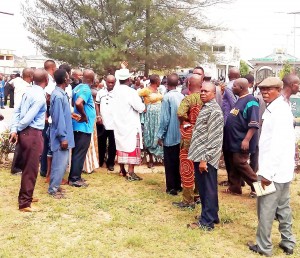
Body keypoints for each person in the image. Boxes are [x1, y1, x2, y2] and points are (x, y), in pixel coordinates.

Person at [248, 77, 296, 256]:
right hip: (282, 170)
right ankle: (288, 241)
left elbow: (276, 146)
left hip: (270, 172)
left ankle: (264, 247)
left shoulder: (278, 112)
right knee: (283, 207)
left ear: (279, 88)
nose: (265, 93)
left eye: (269, 89)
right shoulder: (279, 108)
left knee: (265, 209)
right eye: (262, 90)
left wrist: (267, 174)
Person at [9, 69, 48, 212]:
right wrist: (18, 128)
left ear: (32, 79)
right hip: (32, 134)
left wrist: (14, 129)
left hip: (26, 133)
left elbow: (17, 111)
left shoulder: (28, 92)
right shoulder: (40, 97)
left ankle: (28, 195)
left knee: (28, 167)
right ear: (46, 80)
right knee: (30, 169)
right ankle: (25, 203)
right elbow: (26, 119)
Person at [187, 81, 224, 231]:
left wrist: (204, 159)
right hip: (200, 154)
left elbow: (214, 138)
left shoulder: (214, 110)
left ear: (214, 94)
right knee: (208, 188)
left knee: (206, 189)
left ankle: (206, 222)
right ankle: (212, 216)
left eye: (206, 91)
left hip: (206, 157)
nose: (202, 93)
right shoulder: (206, 107)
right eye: (201, 91)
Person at [223, 78, 259, 197]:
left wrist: (246, 139)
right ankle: (235, 188)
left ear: (241, 88)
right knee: (233, 163)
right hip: (233, 140)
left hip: (242, 140)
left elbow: (254, 123)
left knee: (240, 162)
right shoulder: (239, 100)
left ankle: (261, 187)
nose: (232, 88)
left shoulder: (251, 101)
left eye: (234, 86)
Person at [173, 74, 203, 209]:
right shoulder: (206, 99)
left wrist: (185, 121)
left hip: (189, 138)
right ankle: (198, 195)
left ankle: (187, 200)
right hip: (202, 138)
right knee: (199, 168)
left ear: (189, 84)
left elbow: (180, 113)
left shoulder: (188, 99)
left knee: (187, 167)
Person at [111, 68, 145, 181]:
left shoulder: (114, 91)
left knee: (121, 145)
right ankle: (131, 172)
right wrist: (144, 106)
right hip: (130, 123)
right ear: (128, 79)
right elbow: (140, 108)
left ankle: (122, 169)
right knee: (131, 146)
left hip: (118, 123)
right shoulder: (131, 92)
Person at [48, 69, 74, 198]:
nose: (69, 79)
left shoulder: (61, 94)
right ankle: (53, 190)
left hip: (64, 133)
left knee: (61, 163)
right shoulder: (58, 96)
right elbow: (58, 118)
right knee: (59, 163)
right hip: (60, 136)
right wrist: (63, 137)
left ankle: (56, 186)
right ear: (65, 79)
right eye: (68, 77)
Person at [157, 73, 184, 195]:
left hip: (169, 136)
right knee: (178, 161)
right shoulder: (182, 96)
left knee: (169, 162)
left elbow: (165, 119)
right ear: (178, 83)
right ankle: (178, 185)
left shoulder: (166, 97)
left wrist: (160, 135)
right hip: (180, 134)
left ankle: (171, 187)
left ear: (167, 84)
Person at [69, 69, 96, 187]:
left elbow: (73, 103)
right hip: (83, 126)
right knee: (80, 153)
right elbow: (79, 103)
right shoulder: (86, 89)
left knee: (77, 152)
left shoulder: (78, 87)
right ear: (92, 79)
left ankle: (75, 176)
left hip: (77, 126)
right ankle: (75, 179)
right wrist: (84, 116)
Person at [10, 68, 34, 175]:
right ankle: (16, 167)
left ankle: (20, 165)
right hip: (21, 116)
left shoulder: (24, 85)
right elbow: (20, 105)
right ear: (29, 75)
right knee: (20, 143)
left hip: (22, 116)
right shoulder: (24, 87)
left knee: (23, 142)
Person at [220, 67, 240, 187]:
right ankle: (237, 179)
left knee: (228, 152)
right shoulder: (242, 86)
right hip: (236, 123)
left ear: (228, 75)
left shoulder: (229, 87)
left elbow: (234, 105)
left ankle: (232, 180)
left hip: (229, 122)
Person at [138, 74, 164, 168]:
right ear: (155, 81)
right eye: (159, 80)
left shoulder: (159, 90)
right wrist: (143, 106)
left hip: (159, 116)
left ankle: (161, 157)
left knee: (159, 135)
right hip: (150, 117)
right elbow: (136, 95)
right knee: (150, 135)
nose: (160, 82)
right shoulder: (146, 90)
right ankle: (151, 159)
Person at [95, 75, 117, 171]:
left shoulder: (118, 93)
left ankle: (110, 163)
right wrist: (98, 116)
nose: (110, 84)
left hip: (114, 123)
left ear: (115, 83)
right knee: (101, 143)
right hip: (102, 122)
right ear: (106, 82)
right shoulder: (100, 92)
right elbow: (97, 104)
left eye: (112, 82)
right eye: (109, 82)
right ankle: (100, 161)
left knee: (113, 144)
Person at [40, 60, 57, 178]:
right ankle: (45, 170)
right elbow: (47, 99)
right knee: (47, 144)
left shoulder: (42, 78)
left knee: (45, 144)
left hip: (43, 116)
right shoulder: (49, 81)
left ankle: (44, 169)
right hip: (47, 117)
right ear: (53, 68)